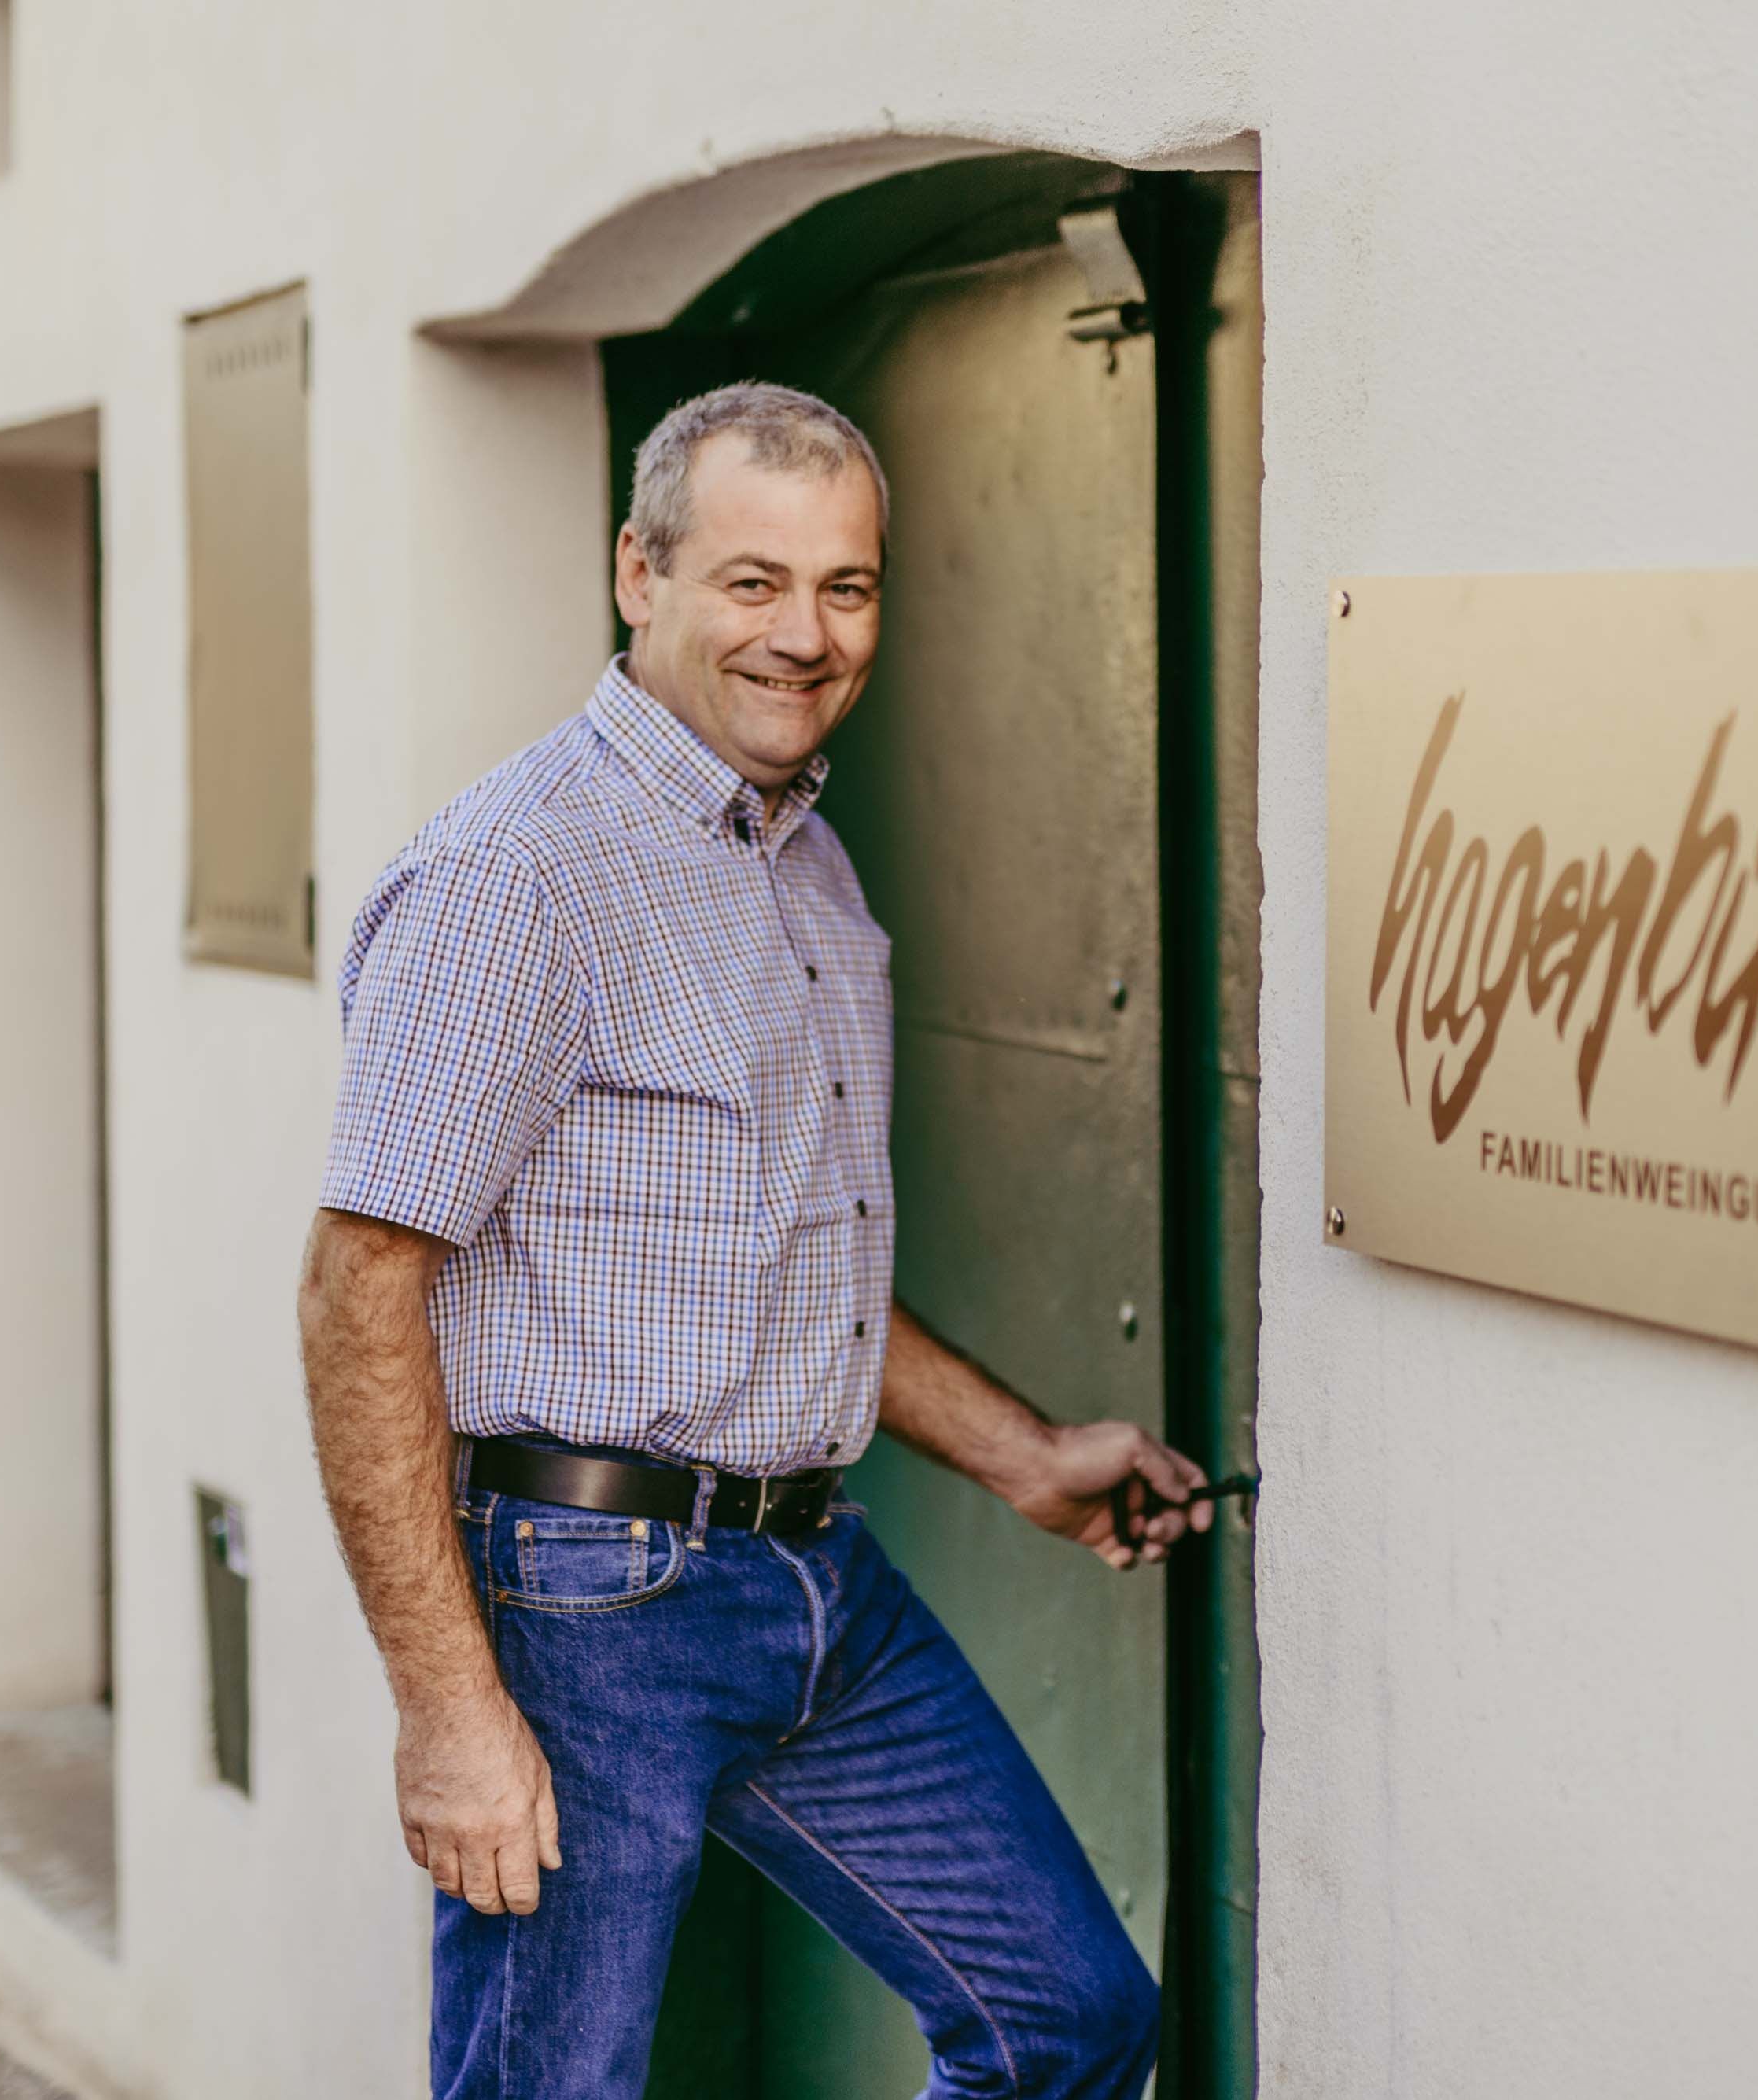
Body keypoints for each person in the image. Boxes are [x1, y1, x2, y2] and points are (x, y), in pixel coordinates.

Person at [296, 381, 1209, 2100]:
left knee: (1065, 2018)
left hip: (810, 1584)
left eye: (844, 587)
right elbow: (361, 1293)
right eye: (751, 580)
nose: (804, 634)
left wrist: (1022, 1456)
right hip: (579, 1603)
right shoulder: (522, 874)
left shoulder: (799, 863)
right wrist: (446, 1706)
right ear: (637, 573)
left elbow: (797, 1268)